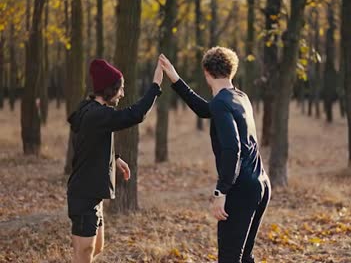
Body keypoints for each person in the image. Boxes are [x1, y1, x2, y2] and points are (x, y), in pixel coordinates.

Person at [159, 47, 271, 263]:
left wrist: (221, 191)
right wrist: (175, 79)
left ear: (206, 72)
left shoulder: (221, 102)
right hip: (261, 185)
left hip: (241, 188)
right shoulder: (240, 97)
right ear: (232, 71)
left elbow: (232, 149)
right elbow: (205, 110)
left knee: (230, 258)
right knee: (244, 256)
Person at [66, 58, 163, 263]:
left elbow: (89, 142)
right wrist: (155, 86)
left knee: (97, 248)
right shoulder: (97, 115)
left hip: (93, 195)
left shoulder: (90, 109)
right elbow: (135, 115)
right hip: (83, 195)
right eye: (120, 89)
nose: (122, 93)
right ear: (110, 89)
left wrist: (115, 158)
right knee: (84, 253)